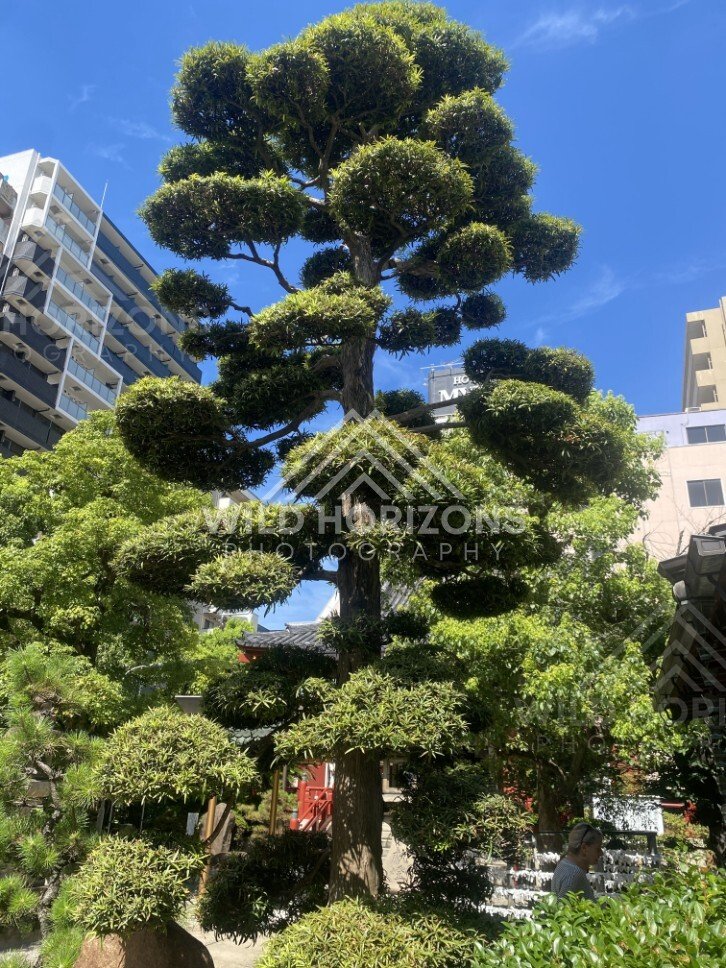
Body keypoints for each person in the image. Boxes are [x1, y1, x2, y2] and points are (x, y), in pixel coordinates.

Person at [551, 822, 603, 901]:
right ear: (584, 848)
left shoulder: (564, 863)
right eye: (598, 849)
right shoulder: (574, 874)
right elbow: (562, 910)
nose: (601, 853)